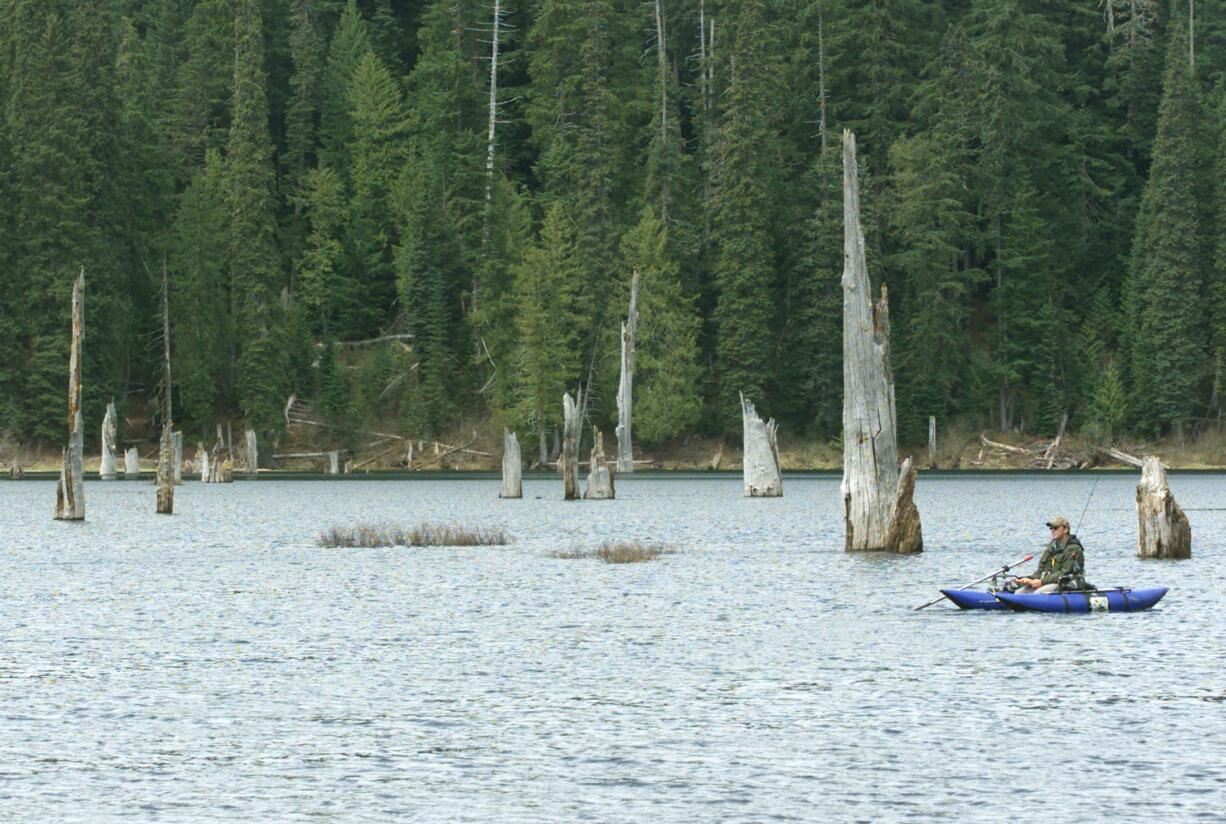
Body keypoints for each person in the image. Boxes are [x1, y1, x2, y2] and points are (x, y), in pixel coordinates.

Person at [1013, 516, 1086, 593]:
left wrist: (1042, 582)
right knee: (1019, 592)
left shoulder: (1074, 548)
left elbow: (1065, 572)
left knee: (1038, 593)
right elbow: (1041, 570)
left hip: (1066, 583)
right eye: (1051, 528)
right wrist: (1027, 579)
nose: (1052, 531)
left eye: (1056, 528)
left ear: (1065, 529)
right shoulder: (1051, 547)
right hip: (1049, 582)